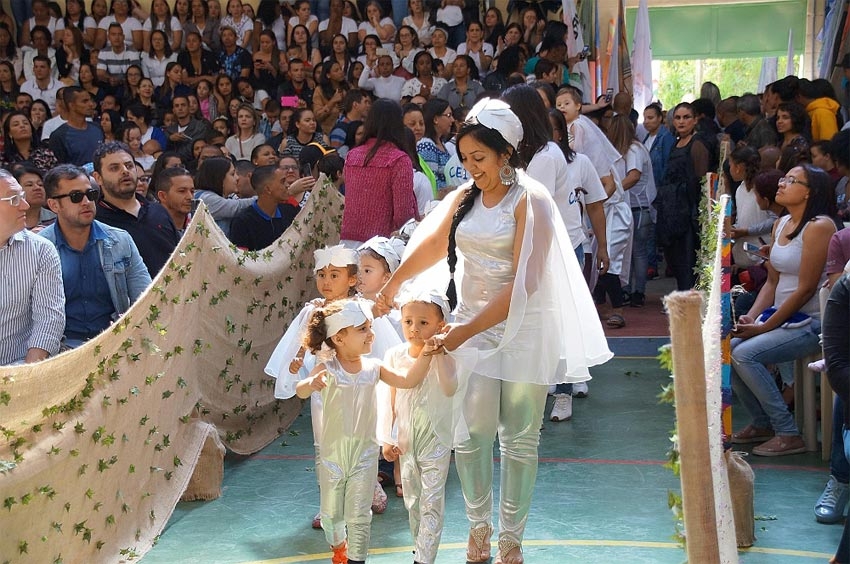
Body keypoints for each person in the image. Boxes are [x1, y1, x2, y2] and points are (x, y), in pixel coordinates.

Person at [378, 98, 611, 564]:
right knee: (471, 434)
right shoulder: (465, 196)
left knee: (520, 439)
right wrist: (394, 281)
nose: (471, 167)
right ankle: (478, 527)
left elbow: (525, 282)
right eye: (465, 158)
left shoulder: (531, 200)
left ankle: (511, 540)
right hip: (472, 327)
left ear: (506, 153)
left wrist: (463, 331)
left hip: (525, 327)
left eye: (479, 158)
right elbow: (434, 242)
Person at [295, 298, 435, 564]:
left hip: (365, 457)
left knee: (359, 516)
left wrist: (427, 352)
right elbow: (300, 390)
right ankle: (339, 546)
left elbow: (408, 380)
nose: (371, 334)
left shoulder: (374, 368)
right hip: (333, 457)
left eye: (370, 327)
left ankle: (356, 559)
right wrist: (310, 383)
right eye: (363, 329)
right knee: (330, 516)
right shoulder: (327, 369)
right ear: (339, 338)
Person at [731, 164, 838, 456]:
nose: (781, 183)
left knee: (744, 354)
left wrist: (765, 326)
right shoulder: (781, 223)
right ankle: (762, 423)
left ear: (809, 192)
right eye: (784, 178)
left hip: (811, 322)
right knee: (732, 348)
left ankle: (788, 433)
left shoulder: (819, 226)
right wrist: (752, 317)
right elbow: (772, 282)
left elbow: (805, 289)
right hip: (782, 317)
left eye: (791, 180)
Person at [381, 290, 457, 564]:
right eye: (408, 321)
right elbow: (389, 400)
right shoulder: (394, 355)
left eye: (423, 323)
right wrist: (386, 438)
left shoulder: (446, 356)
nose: (414, 329)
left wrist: (440, 354)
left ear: (440, 325)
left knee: (432, 499)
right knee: (412, 500)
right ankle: (420, 547)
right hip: (406, 441)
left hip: (436, 439)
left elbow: (450, 388)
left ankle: (424, 558)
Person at [40, 164, 151, 348]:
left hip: (114, 342)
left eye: (91, 194)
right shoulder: (39, 248)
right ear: (53, 205)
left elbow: (145, 296)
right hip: (58, 348)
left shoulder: (120, 240)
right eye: (76, 197)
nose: (86, 202)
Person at [0, 167, 65, 365]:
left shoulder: (41, 250)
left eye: (22, 196)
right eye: (14, 199)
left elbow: (49, 319)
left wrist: (28, 374)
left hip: (20, 367)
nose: (25, 205)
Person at [92, 141, 179, 277]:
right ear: (98, 178)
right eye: (114, 168)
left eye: (129, 166)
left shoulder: (158, 211)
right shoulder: (96, 223)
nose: (125, 171)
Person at [341, 98, 417, 245]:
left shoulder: (352, 156)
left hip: (348, 241)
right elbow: (403, 215)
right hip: (382, 245)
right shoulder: (399, 160)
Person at [655, 102, 710, 291]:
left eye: (686, 117)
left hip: (689, 214)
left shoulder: (697, 145)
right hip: (672, 212)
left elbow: (701, 182)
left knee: (688, 264)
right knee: (676, 262)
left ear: (695, 120)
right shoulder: (675, 143)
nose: (681, 121)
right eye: (678, 118)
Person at [229, 164, 315, 251]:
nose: (287, 185)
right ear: (268, 189)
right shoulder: (242, 222)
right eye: (282, 181)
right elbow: (241, 257)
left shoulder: (291, 211)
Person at [193, 155, 252, 237]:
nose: (237, 178)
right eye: (232, 174)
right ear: (219, 177)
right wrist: (263, 197)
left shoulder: (229, 196)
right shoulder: (205, 198)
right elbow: (238, 206)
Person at [48, 86, 104, 166]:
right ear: (72, 105)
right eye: (85, 101)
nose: (91, 104)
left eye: (90, 100)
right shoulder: (59, 136)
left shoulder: (97, 128)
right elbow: (59, 168)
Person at [164, 94, 211, 161]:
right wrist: (170, 140)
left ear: (189, 107)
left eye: (183, 105)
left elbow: (192, 151)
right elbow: (164, 150)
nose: (180, 108)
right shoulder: (169, 130)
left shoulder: (200, 127)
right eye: (177, 106)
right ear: (173, 110)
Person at [154, 165, 194, 234]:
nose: (190, 197)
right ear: (162, 196)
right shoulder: (150, 226)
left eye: (192, 191)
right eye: (182, 191)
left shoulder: (199, 222)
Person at [14, 165, 54, 233]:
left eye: (40, 184)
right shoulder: (7, 219)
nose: (37, 188)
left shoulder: (55, 219)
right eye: (29, 185)